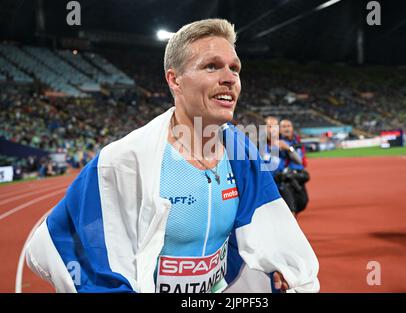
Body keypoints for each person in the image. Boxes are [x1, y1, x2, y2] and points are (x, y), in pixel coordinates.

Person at [25, 19, 319, 293]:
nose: (230, 78)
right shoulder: (125, 160)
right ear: (175, 81)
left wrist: (277, 271)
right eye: (212, 66)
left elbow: (266, 229)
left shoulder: (241, 152)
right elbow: (56, 242)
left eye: (235, 68)